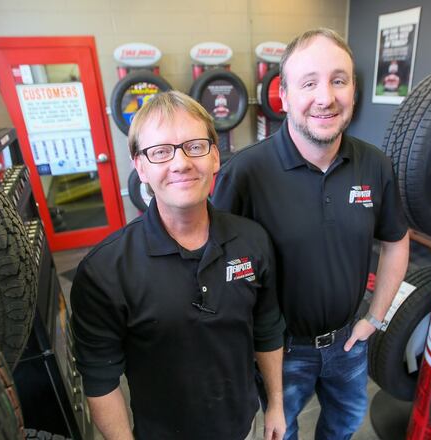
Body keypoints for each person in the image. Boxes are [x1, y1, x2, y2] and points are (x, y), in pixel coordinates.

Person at [212, 28, 410, 439]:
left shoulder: (374, 165)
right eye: (309, 83)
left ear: (354, 90)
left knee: (344, 424)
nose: (326, 97)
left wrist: (375, 318)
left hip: (349, 342)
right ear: (283, 96)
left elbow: (395, 241)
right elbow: (214, 271)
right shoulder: (245, 174)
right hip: (278, 353)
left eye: (339, 80)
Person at [71, 90, 286, 440]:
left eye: (195, 146)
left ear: (215, 156)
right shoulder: (105, 270)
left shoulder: (253, 240)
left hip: (244, 428)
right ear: (140, 167)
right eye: (160, 152)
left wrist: (275, 403)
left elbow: (268, 327)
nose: (181, 163)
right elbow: (100, 378)